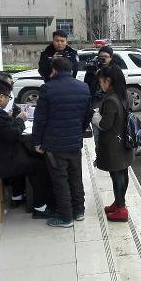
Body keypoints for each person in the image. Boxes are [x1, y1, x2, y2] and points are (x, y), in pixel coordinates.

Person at [0, 80, 53, 218]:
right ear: (1, 97)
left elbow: (2, 130)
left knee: (23, 156)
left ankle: (17, 196)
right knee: (38, 164)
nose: (9, 100)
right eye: (9, 97)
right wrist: (20, 119)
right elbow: (13, 135)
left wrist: (12, 120)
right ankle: (40, 208)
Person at [32, 58, 92, 227]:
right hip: (74, 142)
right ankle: (79, 211)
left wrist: (37, 142)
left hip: (54, 144)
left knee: (60, 180)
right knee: (75, 177)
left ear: (54, 70)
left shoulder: (47, 88)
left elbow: (40, 119)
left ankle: (66, 218)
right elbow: (87, 114)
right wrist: (78, 131)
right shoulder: (83, 87)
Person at [95, 66, 135, 222]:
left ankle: (121, 209)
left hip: (114, 145)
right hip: (124, 141)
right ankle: (118, 203)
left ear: (109, 80)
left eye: (101, 82)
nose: (100, 85)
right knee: (122, 173)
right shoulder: (124, 94)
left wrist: (96, 118)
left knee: (117, 175)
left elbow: (106, 125)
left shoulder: (111, 100)